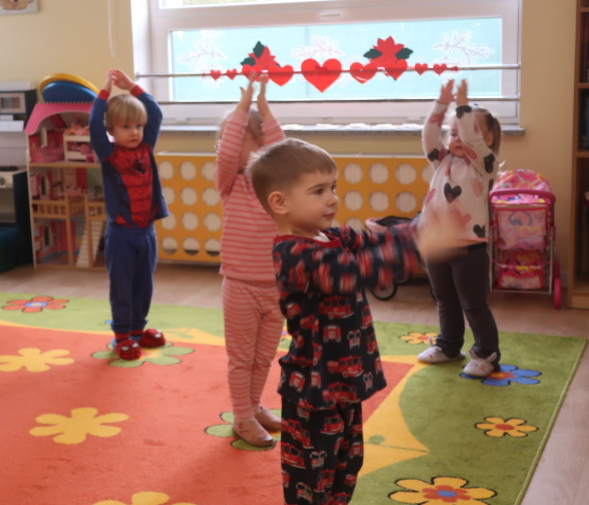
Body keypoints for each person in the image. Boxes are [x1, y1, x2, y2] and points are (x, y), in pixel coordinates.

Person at [247, 137, 460, 505]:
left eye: (333, 187)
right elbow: (353, 270)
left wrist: (418, 228)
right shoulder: (293, 253)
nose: (332, 199)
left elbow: (370, 241)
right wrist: (416, 247)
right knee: (312, 474)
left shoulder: (331, 236)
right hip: (314, 389)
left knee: (348, 462)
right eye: (318, 191)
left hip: (344, 380)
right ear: (280, 203)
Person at [416, 79, 503, 378]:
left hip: (470, 248)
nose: (457, 137)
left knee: (473, 304)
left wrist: (462, 105)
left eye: (464, 132)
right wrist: (442, 104)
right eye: (452, 133)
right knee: (445, 300)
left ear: (486, 139)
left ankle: (487, 353)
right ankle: (449, 346)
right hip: (437, 245)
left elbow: (473, 142)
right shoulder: (442, 162)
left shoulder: (485, 165)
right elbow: (429, 134)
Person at [215, 75, 284, 447]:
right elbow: (228, 155)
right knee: (242, 358)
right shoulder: (230, 183)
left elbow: (282, 152)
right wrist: (242, 109)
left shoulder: (276, 186)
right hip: (241, 285)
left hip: (276, 286)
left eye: (239, 135)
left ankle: (253, 406)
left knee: (264, 357)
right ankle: (242, 416)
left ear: (260, 145)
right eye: (225, 137)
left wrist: (264, 110)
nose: (224, 145)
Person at [89, 69, 169, 360]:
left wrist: (132, 86)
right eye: (126, 127)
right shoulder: (109, 155)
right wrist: (105, 92)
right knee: (122, 287)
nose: (134, 132)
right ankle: (122, 335)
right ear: (112, 130)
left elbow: (155, 113)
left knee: (144, 285)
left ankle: (137, 329)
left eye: (138, 126)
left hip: (146, 233)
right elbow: (94, 125)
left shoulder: (146, 148)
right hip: (122, 236)